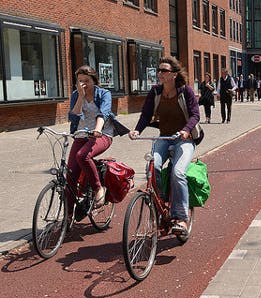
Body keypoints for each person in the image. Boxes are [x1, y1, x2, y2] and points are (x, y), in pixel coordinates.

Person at [128, 56, 200, 234]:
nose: (160, 73)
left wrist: (186, 130)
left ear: (174, 74)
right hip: (164, 137)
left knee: (178, 172)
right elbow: (145, 115)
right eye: (159, 70)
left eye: (164, 71)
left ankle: (181, 218)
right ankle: (159, 207)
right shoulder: (155, 92)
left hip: (184, 138)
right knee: (153, 168)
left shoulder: (186, 91)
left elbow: (195, 115)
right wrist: (137, 130)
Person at [67, 65, 114, 209]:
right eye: (80, 81)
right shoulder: (76, 94)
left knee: (82, 156)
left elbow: (103, 114)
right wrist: (80, 96)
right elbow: (74, 115)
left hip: (102, 134)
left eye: (86, 81)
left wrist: (98, 129)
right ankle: (67, 217)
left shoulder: (104, 94)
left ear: (94, 80)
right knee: (70, 176)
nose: (83, 84)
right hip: (81, 134)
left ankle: (98, 188)